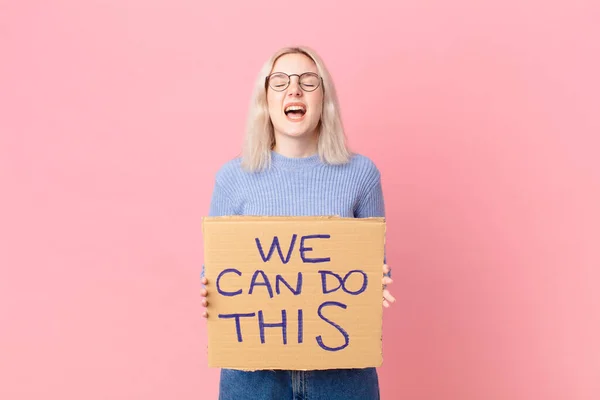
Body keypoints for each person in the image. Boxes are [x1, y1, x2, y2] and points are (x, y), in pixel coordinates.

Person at [199, 45, 395, 400]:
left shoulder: (361, 175)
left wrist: (378, 280)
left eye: (308, 80)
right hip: (253, 377)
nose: (294, 89)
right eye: (280, 82)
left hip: (342, 373)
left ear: (324, 99)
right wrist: (209, 290)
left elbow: (372, 267)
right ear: (265, 100)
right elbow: (216, 272)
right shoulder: (232, 178)